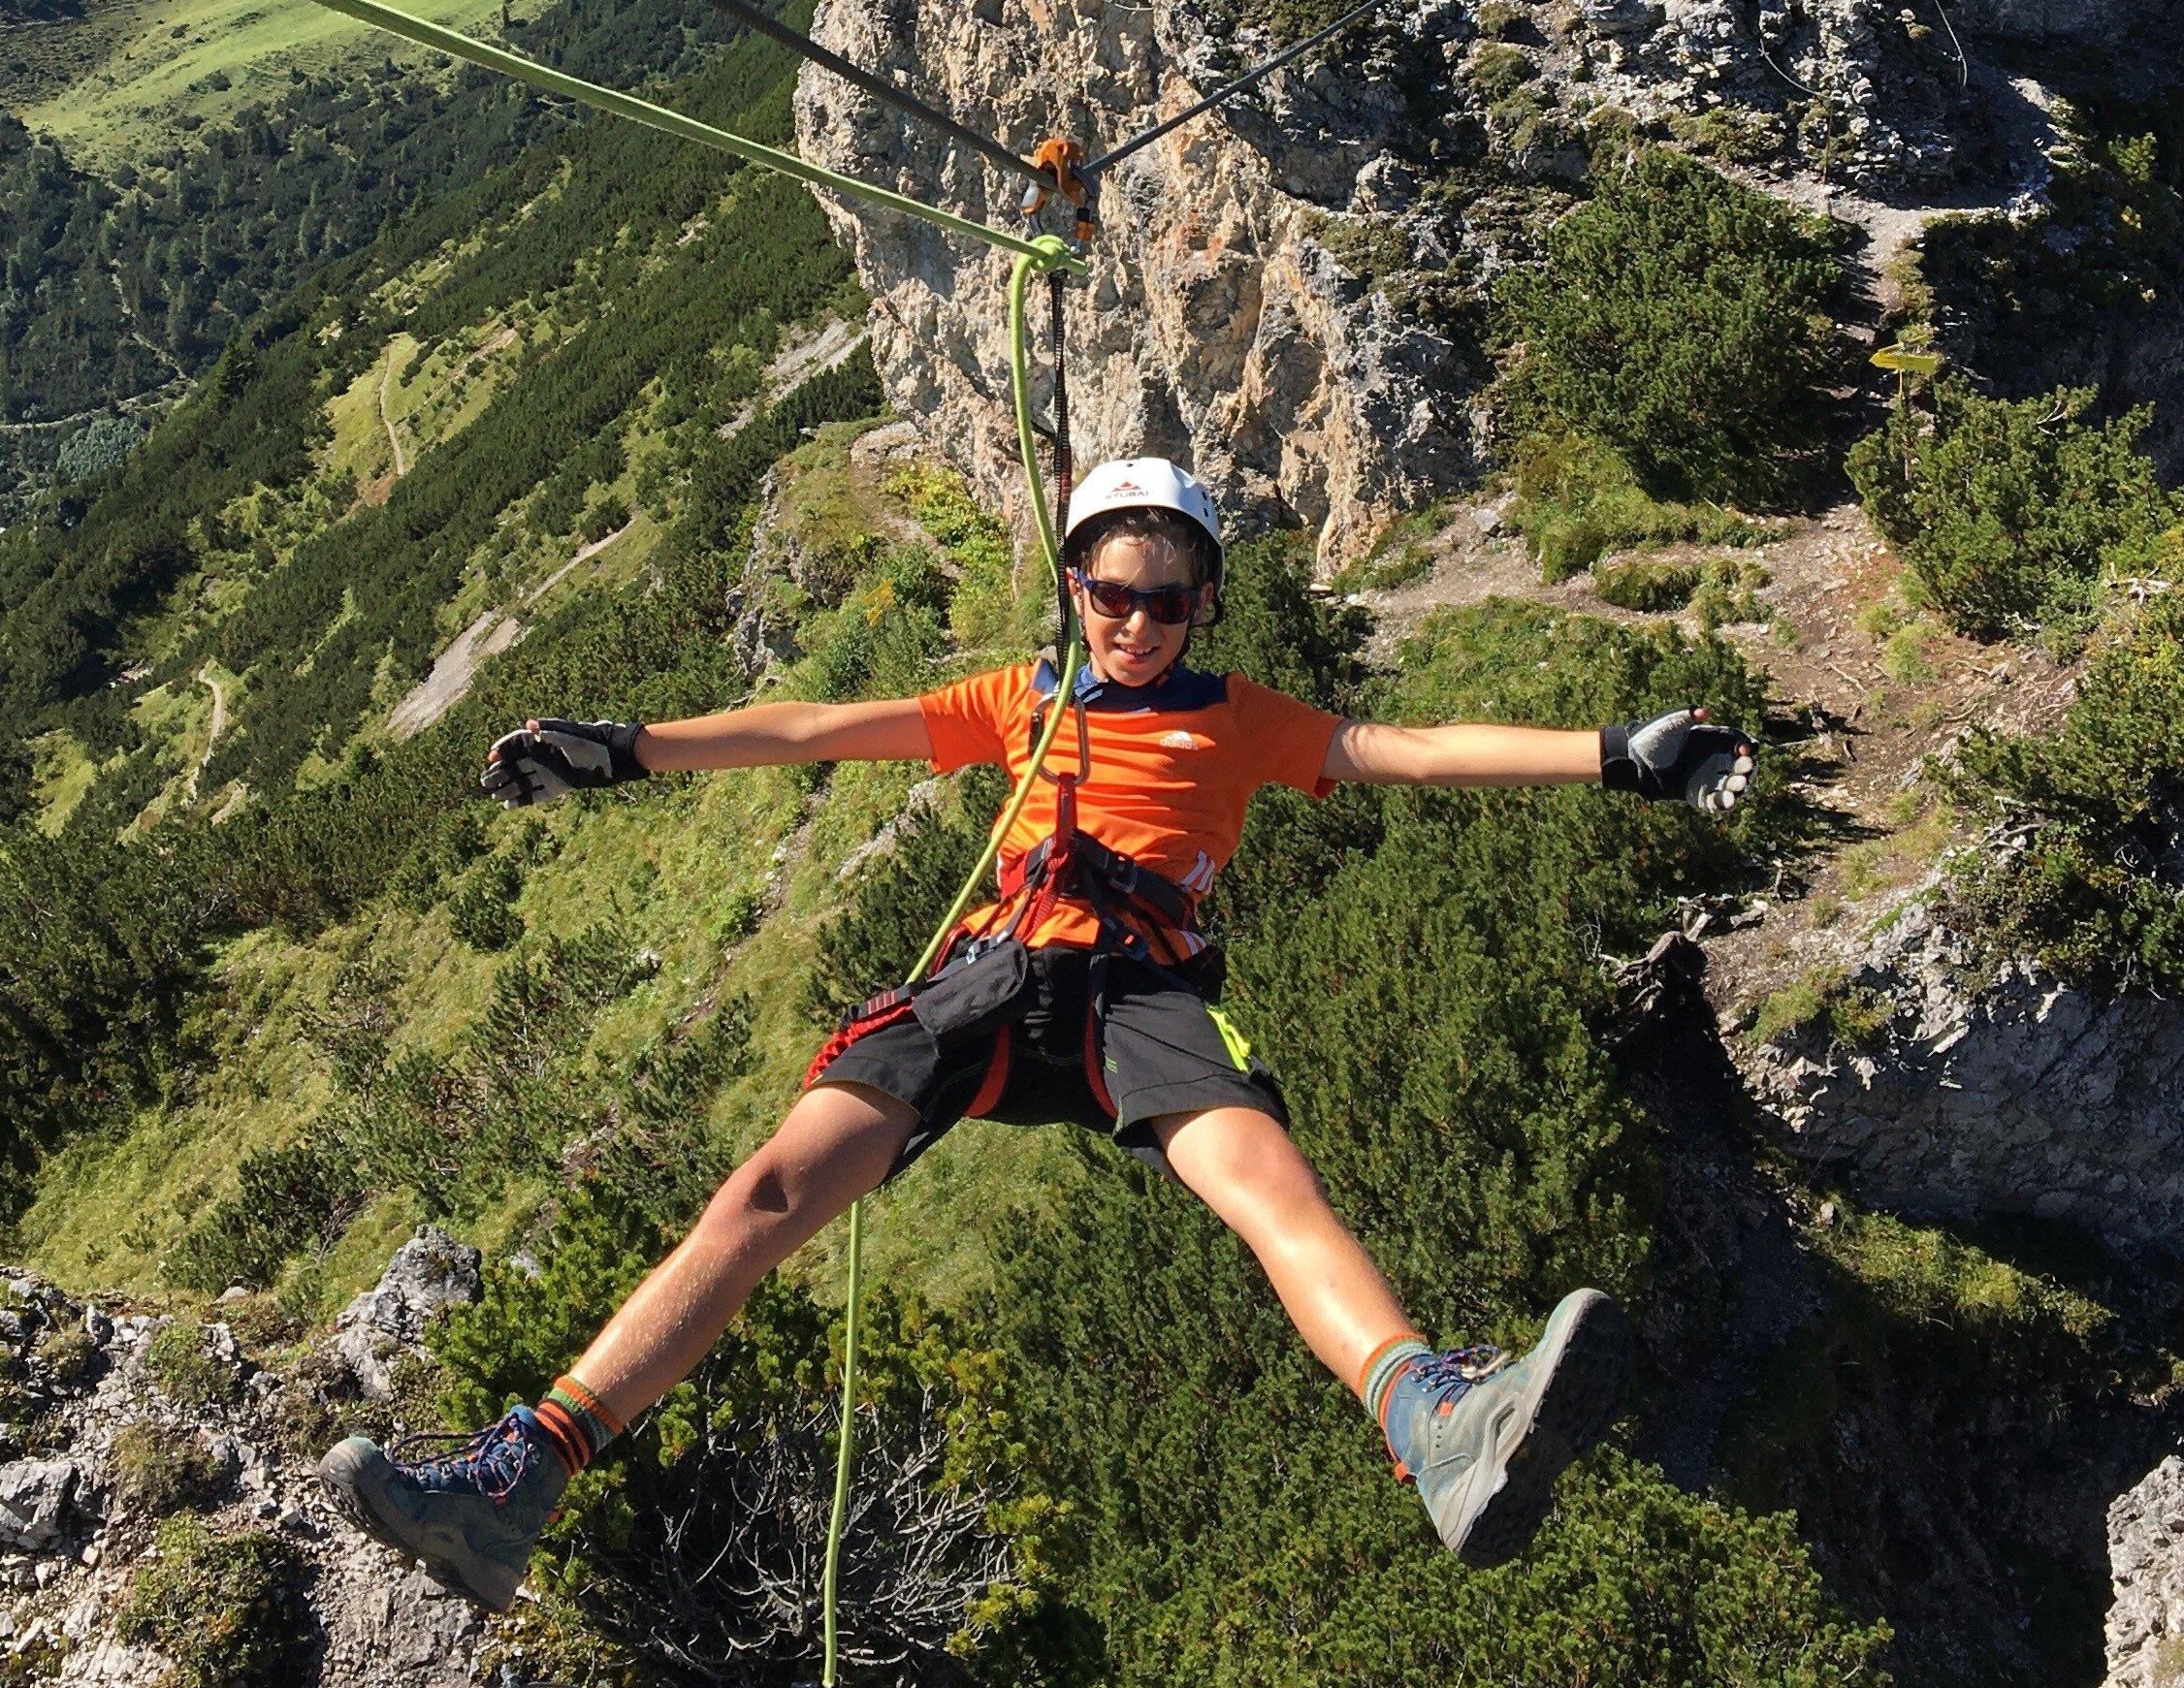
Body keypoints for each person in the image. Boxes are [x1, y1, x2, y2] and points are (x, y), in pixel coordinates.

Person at [321, 457, 1757, 1611]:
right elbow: (817, 729)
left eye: (1165, 602)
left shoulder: (1239, 719)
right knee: (765, 1194)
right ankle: (521, 1478)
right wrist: (626, 751)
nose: (1134, 624)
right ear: (1076, 588)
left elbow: (1409, 750)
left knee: (1270, 1193)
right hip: (998, 973)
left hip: (1145, 986)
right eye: (1110, 595)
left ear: (1204, 604)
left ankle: (1436, 1424)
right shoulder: (1022, 700)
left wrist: (1615, 759)